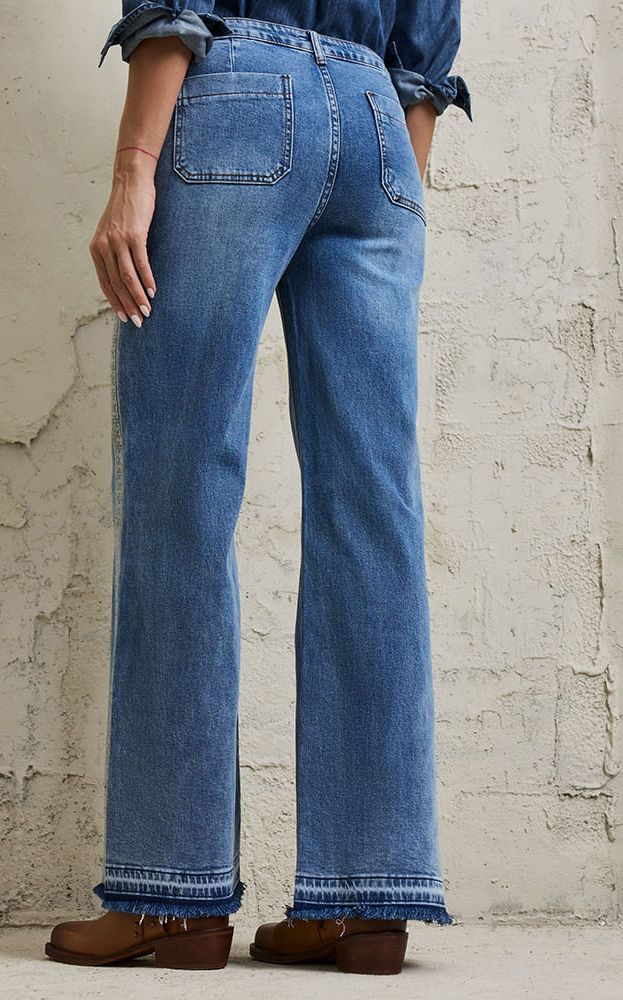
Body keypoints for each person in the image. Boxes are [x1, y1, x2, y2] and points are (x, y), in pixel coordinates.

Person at [45, 1, 472, 976]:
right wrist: (397, 186)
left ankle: (170, 896)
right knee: (373, 513)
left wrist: (134, 170)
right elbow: (428, 39)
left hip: (237, 97)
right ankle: (366, 903)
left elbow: (172, 10)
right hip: (382, 127)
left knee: (181, 497)